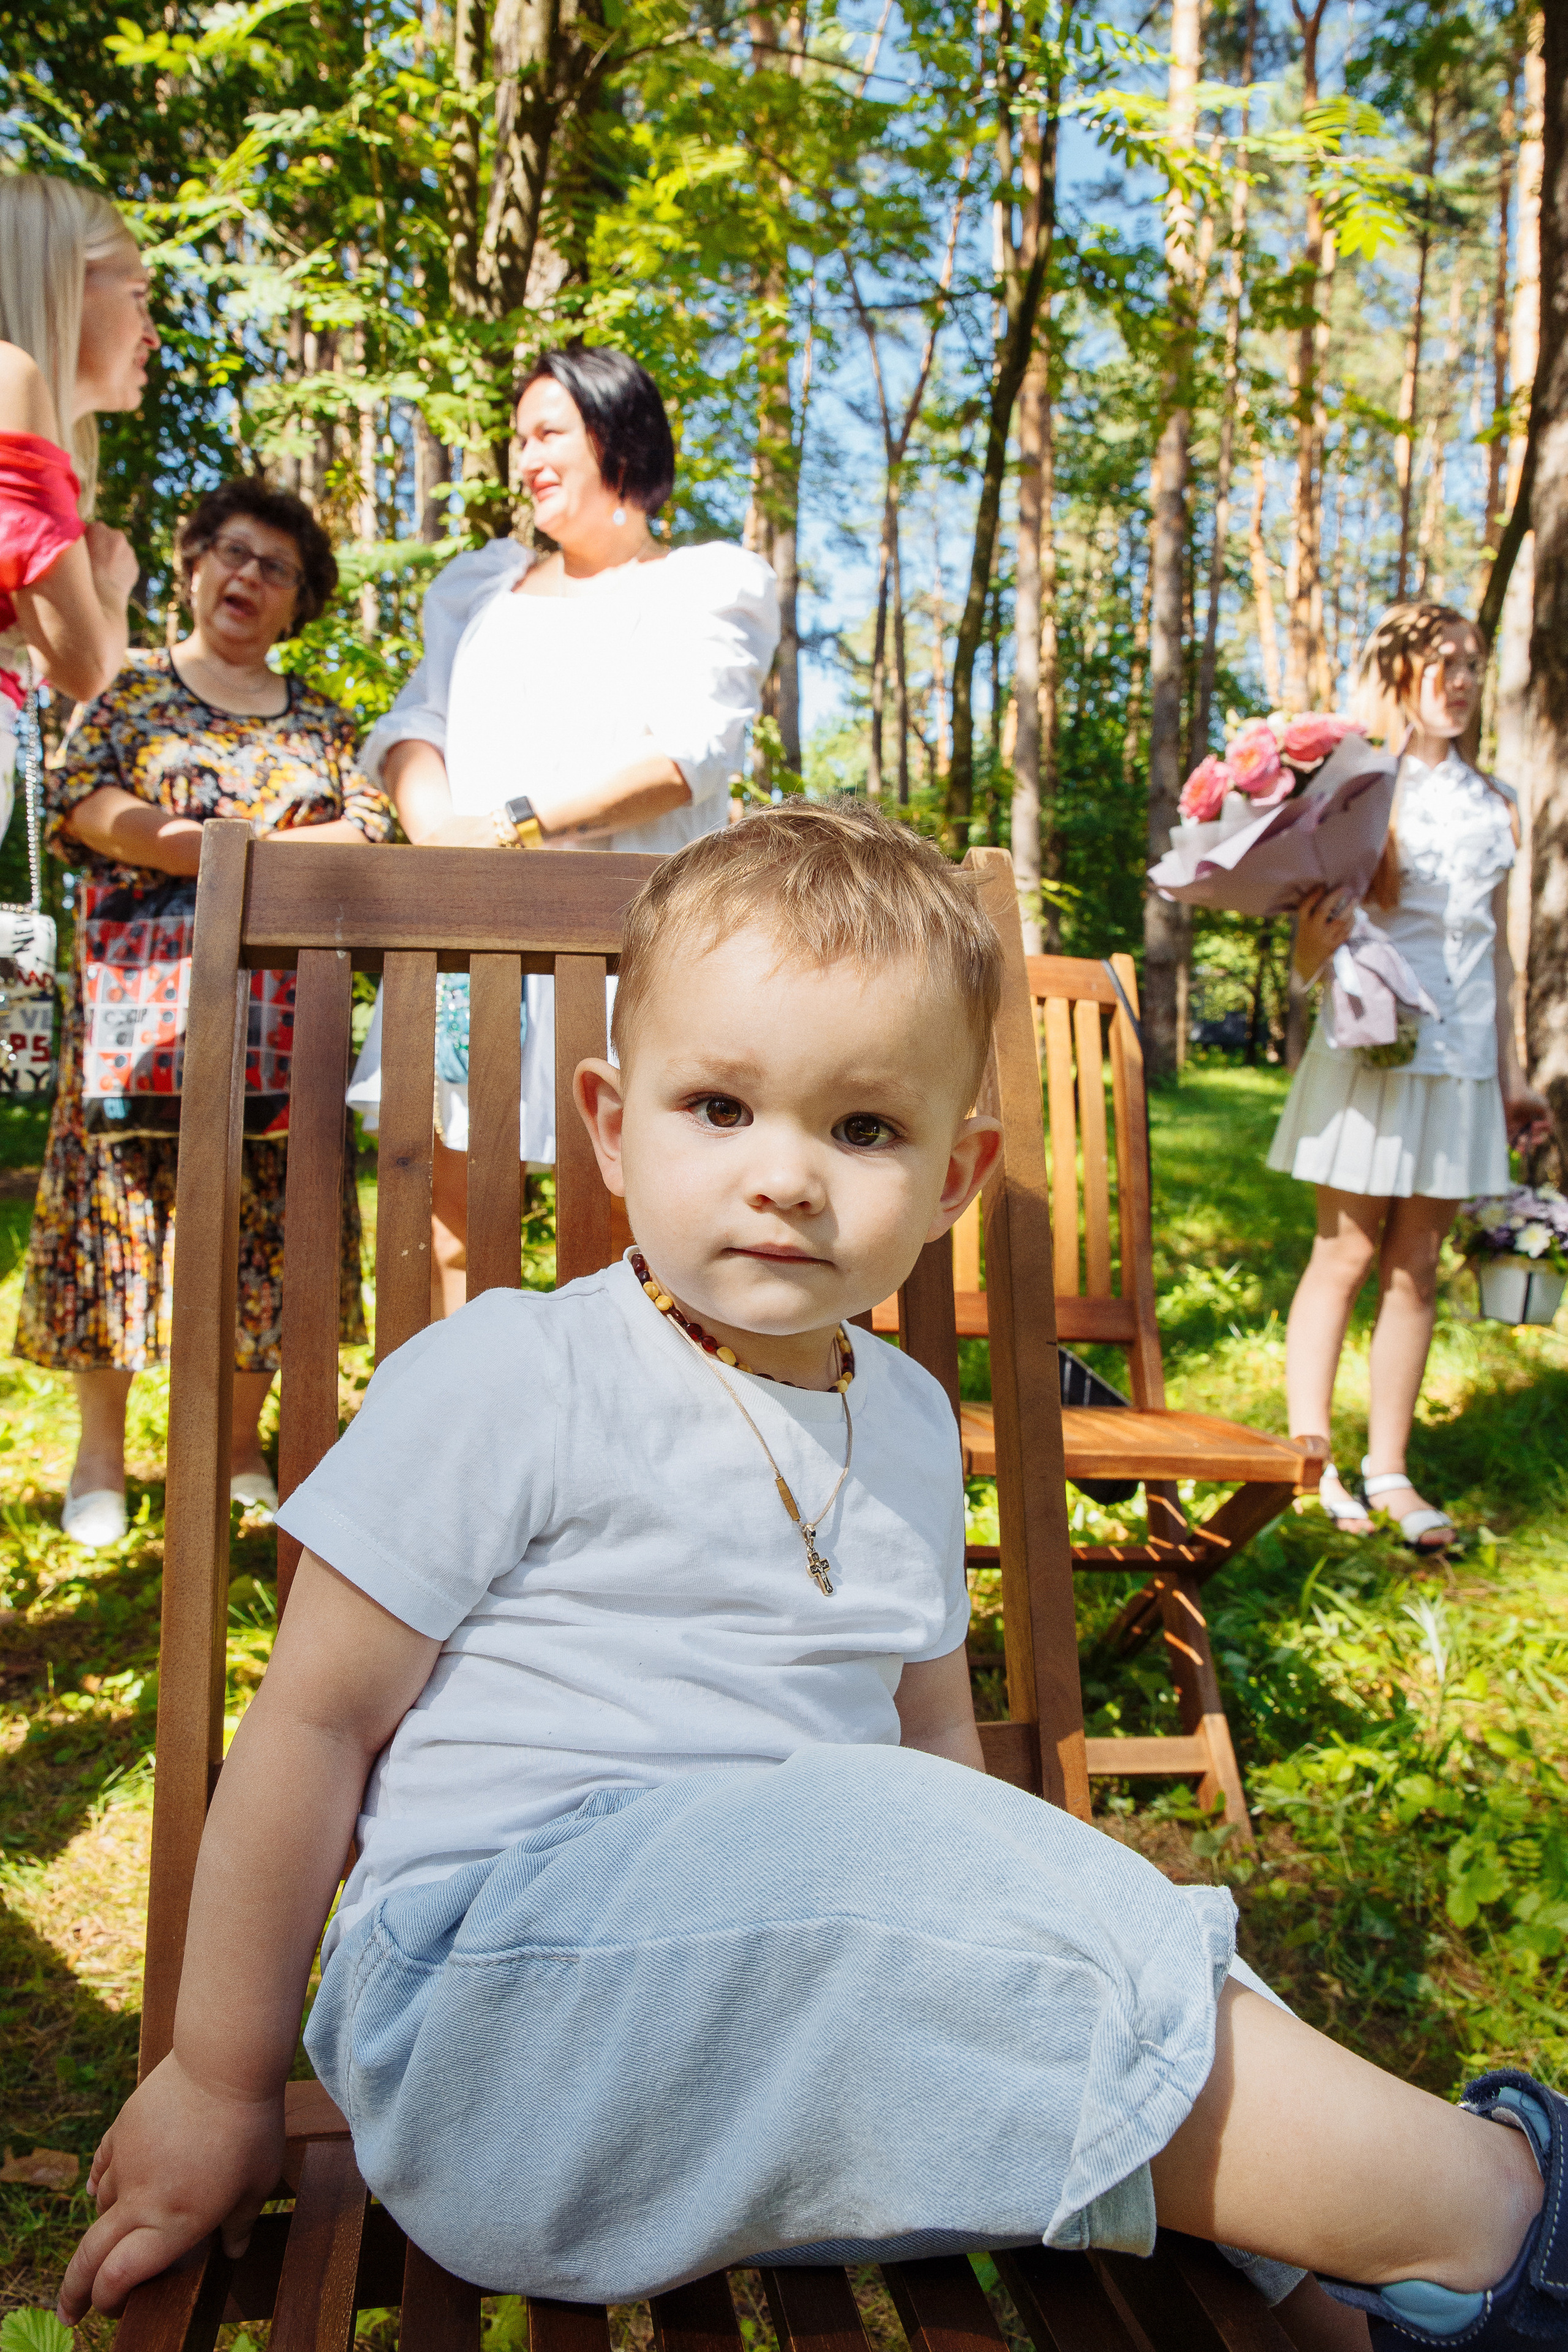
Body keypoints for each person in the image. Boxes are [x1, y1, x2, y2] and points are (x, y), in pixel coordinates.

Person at [59, 807, 1566, 2352]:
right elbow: (308, 1729)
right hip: (505, 2028)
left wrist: (1029, 1890)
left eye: (860, 1130)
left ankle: (1380, 2309)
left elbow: (931, 1749)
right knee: (900, 1845)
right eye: (717, 1106)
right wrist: (220, 2079)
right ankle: (1505, 2214)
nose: (782, 1176)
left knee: (1057, 1909)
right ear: (606, 1118)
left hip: (806, 2052)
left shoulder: (908, 1421)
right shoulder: (510, 1376)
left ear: (955, 1170)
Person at [346, 339, 778, 1317]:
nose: (524, 459)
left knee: (627, 1202)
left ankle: (623, 1437)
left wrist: (506, 827)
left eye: (549, 433)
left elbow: (687, 755)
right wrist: (438, 839)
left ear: (617, 435)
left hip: (633, 947)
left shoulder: (704, 586)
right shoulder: (480, 588)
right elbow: (418, 724)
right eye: (518, 439)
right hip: (469, 938)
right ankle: (450, 1434)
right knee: (447, 1194)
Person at [15, 478, 394, 1548]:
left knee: (270, 1230)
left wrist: (213, 846)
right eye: (231, 552)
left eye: (276, 568)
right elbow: (88, 806)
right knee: (119, 1221)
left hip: (284, 1026)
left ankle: (237, 1446)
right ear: (191, 564)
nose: (247, 578)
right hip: (140, 1020)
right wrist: (231, 850)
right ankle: (101, 1452)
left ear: (299, 600)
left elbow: (366, 835)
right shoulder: (121, 686)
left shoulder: (321, 719)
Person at [1268, 605, 1550, 1549]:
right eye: (1442, 663)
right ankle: (1311, 1464)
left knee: (1417, 1267)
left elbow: (1500, 956)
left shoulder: (1499, 801)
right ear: (1396, 673)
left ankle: (1389, 1469)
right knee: (1344, 1254)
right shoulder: (1361, 786)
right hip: (1374, 1045)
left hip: (1463, 1057)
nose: (1462, 680)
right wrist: (1311, 954)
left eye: (1474, 662)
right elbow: (1314, 932)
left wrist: (1513, 1077)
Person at [0, 176, 148, 836]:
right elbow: (83, 663)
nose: (152, 336)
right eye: (139, 296)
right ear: (63, 280)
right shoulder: (9, 377)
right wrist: (110, 588)